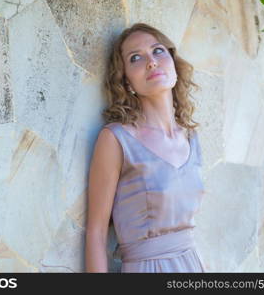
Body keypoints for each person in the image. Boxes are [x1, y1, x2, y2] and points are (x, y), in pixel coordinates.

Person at [85, 23, 206, 273]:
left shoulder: (191, 138)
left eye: (158, 51)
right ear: (127, 81)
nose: (151, 62)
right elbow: (96, 233)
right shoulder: (116, 139)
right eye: (136, 58)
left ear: (173, 62)